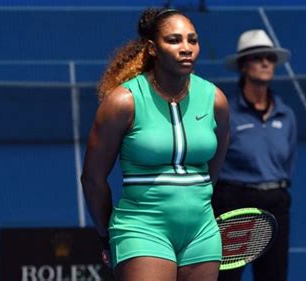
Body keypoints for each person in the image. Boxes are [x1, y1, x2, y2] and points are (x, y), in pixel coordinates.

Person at [80, 7, 229, 281]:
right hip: (142, 228)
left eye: (192, 40)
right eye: (174, 40)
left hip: (202, 232)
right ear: (152, 48)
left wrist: (197, 204)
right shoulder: (123, 102)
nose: (186, 48)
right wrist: (106, 235)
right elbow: (92, 179)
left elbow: (213, 170)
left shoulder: (215, 100)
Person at [211, 29, 297, 281]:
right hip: (234, 204)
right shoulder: (227, 114)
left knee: (274, 277)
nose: (265, 62)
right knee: (225, 277)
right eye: (258, 57)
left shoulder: (286, 114)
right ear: (243, 66)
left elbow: (288, 162)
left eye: (270, 58)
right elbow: (213, 162)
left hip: (277, 205)